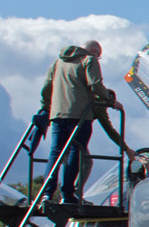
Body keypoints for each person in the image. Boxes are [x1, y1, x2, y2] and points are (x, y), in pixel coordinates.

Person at [39, 41, 122, 205]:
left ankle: (46, 194)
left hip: (57, 114)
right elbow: (95, 84)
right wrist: (110, 100)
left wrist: (46, 107)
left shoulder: (59, 61)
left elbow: (47, 87)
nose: (98, 57)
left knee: (56, 152)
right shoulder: (89, 60)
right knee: (76, 151)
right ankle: (68, 194)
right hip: (80, 115)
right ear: (93, 51)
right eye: (98, 54)